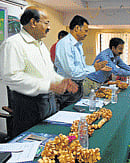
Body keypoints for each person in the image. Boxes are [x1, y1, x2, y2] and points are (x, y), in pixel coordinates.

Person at [0, 6, 78, 136]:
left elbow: (48, 73)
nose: (49, 27)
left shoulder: (41, 45)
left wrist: (61, 81)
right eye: (47, 23)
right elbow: (11, 78)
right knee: (31, 145)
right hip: (29, 106)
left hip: (49, 102)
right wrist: (48, 85)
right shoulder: (13, 44)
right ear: (33, 22)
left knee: (51, 141)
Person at [55, 15, 111, 109]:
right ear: (77, 28)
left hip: (77, 86)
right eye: (85, 31)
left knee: (78, 114)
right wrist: (94, 68)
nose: (86, 34)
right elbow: (72, 72)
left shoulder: (78, 45)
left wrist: (95, 68)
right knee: (69, 115)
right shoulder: (65, 44)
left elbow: (81, 68)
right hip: (67, 88)